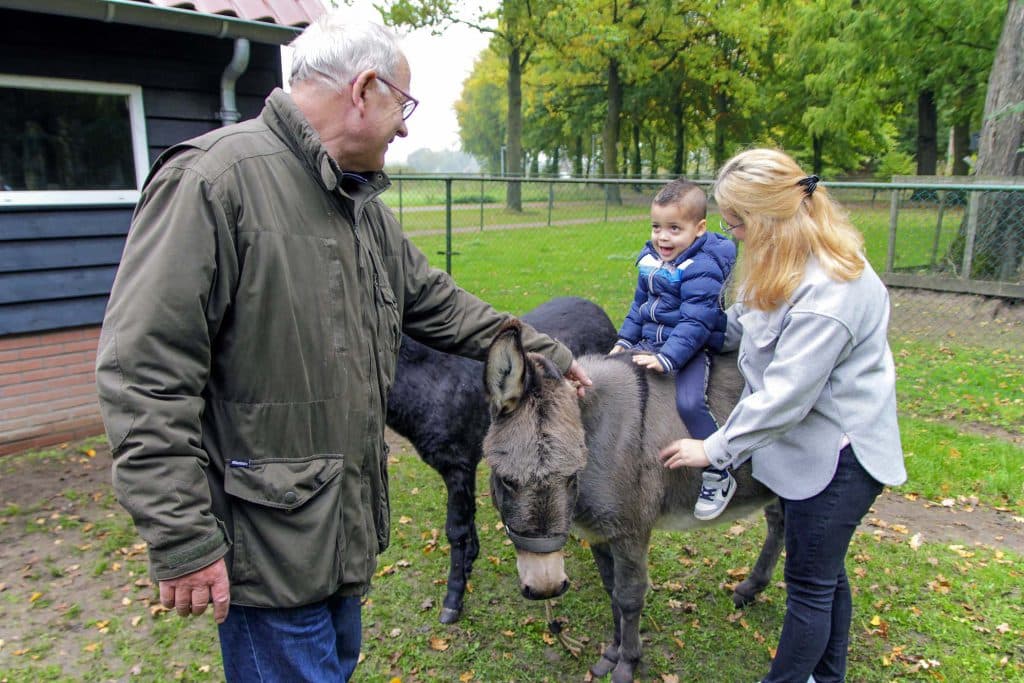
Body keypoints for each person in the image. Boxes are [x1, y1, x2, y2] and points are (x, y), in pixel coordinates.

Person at [94, 14, 591, 682]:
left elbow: (439, 303)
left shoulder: (359, 207)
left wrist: (548, 353)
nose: (407, 127)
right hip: (267, 549)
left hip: (340, 535)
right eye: (403, 106)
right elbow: (143, 374)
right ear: (363, 89)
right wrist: (182, 535)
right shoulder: (214, 184)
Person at [659, 149, 906, 683]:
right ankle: (828, 678)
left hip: (840, 459)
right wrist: (678, 333)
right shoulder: (787, 262)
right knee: (825, 572)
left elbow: (783, 398)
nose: (733, 235)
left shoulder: (830, 293)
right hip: (809, 450)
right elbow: (749, 321)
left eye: (738, 223)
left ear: (771, 217)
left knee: (810, 586)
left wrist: (712, 448)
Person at [610, 178, 738, 520]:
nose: (662, 237)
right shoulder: (652, 260)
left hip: (692, 348)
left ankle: (718, 471)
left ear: (699, 229)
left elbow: (696, 323)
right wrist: (624, 341)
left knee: (689, 402)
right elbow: (640, 306)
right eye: (656, 227)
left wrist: (669, 358)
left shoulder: (703, 269)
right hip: (650, 341)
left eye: (674, 229)